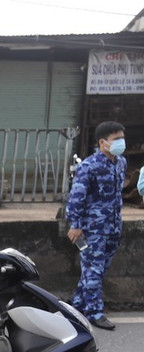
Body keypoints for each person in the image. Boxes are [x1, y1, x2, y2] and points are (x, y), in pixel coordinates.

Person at [66, 121, 127, 330]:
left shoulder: (121, 163)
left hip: (113, 227)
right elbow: (76, 197)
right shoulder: (88, 166)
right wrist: (75, 225)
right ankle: (94, 312)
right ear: (103, 142)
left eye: (122, 138)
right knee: (93, 269)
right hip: (92, 229)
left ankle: (77, 305)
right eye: (116, 139)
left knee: (99, 270)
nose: (121, 142)